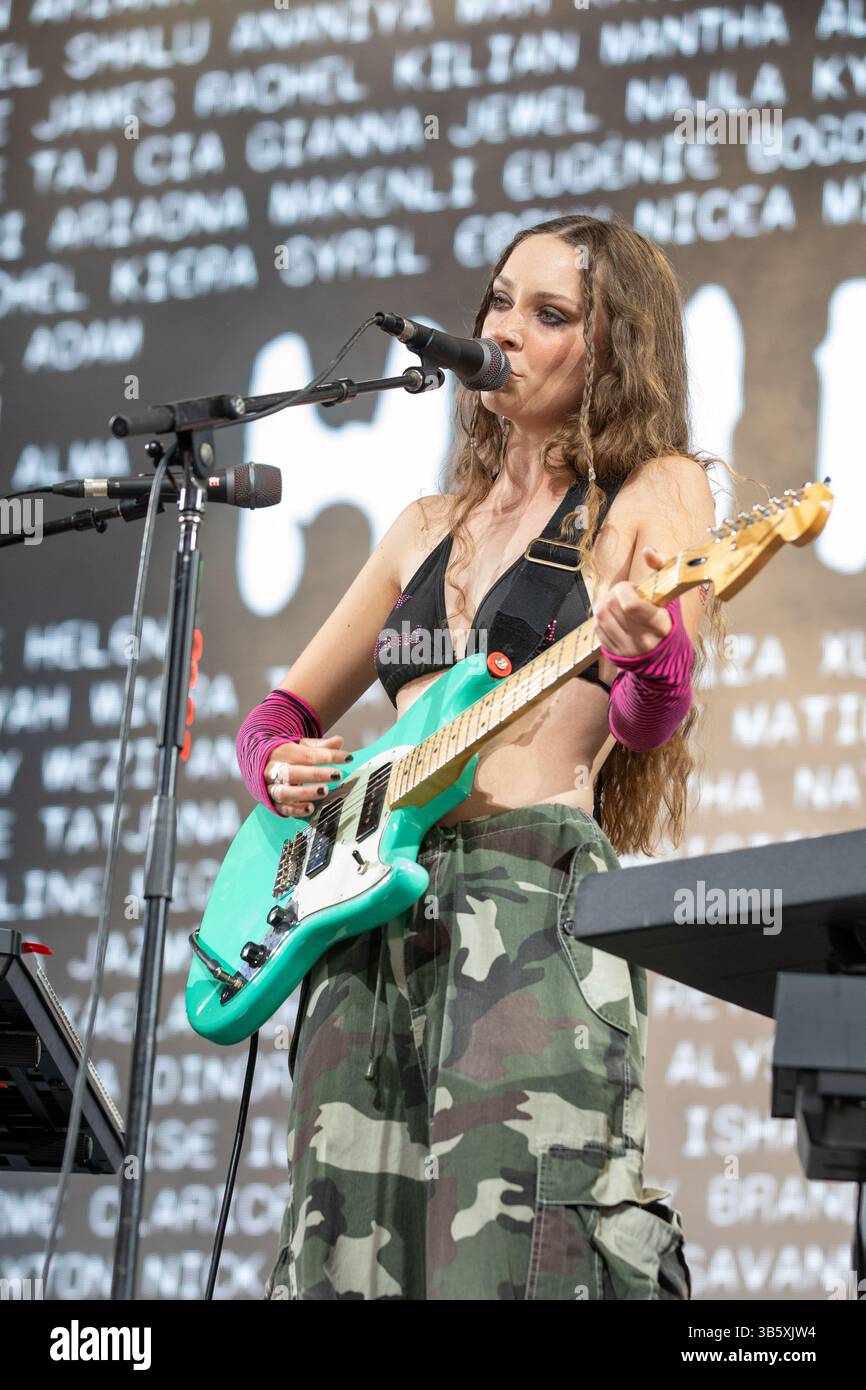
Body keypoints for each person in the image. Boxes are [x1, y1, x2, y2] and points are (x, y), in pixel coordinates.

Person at [236, 213, 732, 1300]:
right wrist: (277, 765)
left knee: (514, 1257)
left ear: (611, 351)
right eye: (499, 301)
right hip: (362, 925)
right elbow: (277, 712)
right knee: (338, 1259)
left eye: (548, 314)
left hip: (527, 909)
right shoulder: (425, 523)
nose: (503, 330)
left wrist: (649, 657)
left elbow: (649, 721)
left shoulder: (652, 491)